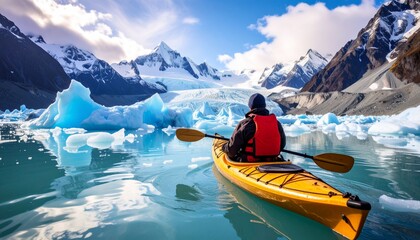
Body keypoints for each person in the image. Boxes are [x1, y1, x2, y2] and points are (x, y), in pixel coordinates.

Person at [222, 93, 286, 162]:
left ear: (250, 107)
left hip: (249, 163)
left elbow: (231, 151)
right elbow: (282, 145)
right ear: (264, 106)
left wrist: (224, 147)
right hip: (273, 161)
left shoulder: (246, 124)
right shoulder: (276, 123)